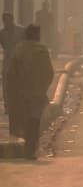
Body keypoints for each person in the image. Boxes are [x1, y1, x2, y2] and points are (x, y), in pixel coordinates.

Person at [9, 25, 55, 159]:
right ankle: (30, 148)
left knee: (25, 119)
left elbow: (12, 73)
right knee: (34, 121)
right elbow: (49, 72)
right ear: (37, 35)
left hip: (21, 92)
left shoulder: (18, 49)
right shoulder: (42, 50)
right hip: (38, 92)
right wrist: (43, 87)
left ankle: (28, 147)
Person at [1, 12, 20, 137]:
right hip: (8, 61)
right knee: (6, 84)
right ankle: (8, 105)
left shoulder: (21, 30)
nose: (7, 23)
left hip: (19, 60)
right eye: (5, 21)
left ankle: (18, 105)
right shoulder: (2, 33)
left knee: (19, 84)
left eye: (8, 20)